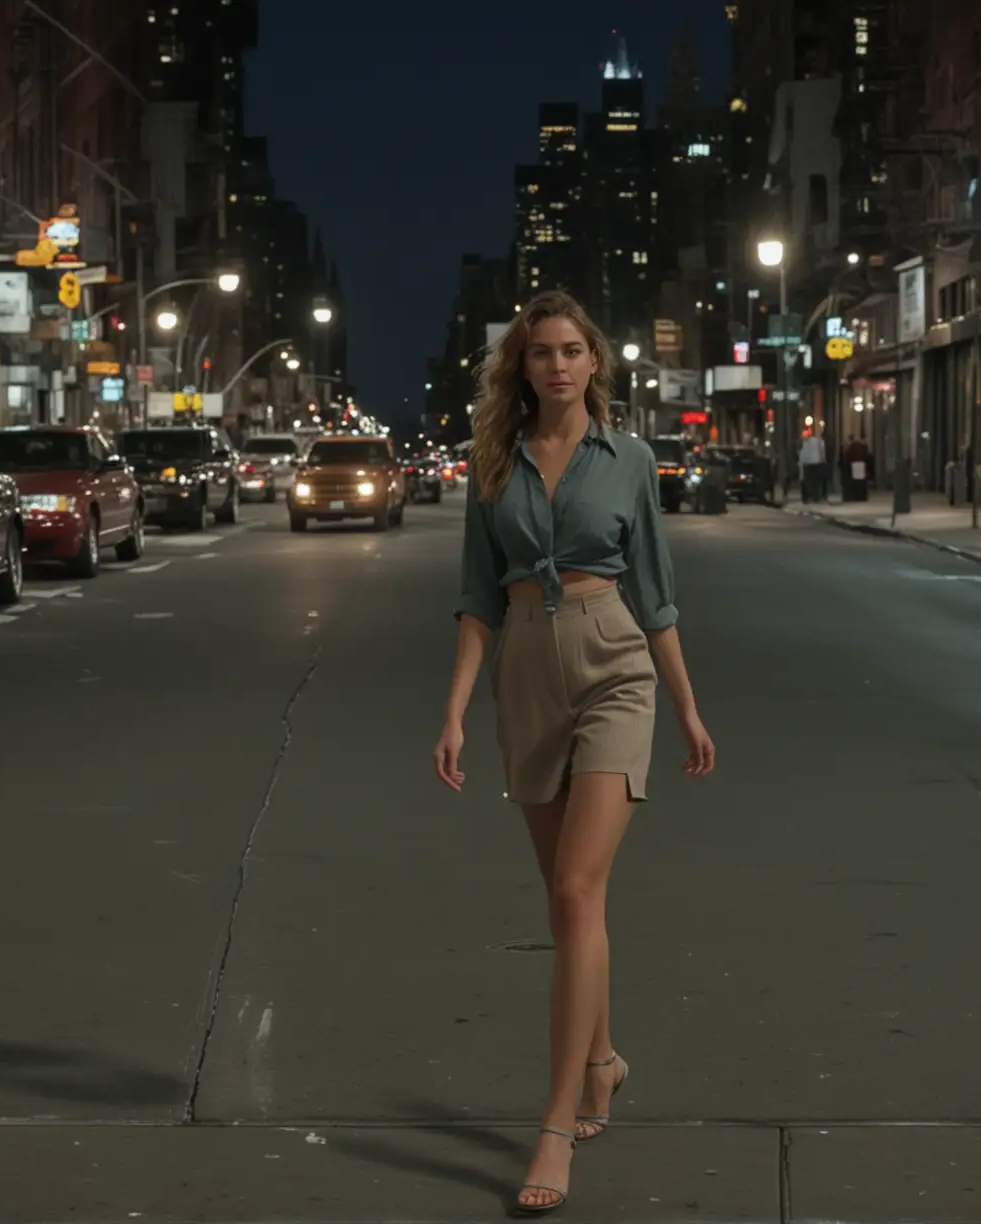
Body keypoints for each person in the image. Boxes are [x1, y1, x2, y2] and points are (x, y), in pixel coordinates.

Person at [435, 290, 716, 1215]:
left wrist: (685, 708)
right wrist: (455, 713)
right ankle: (602, 1062)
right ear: (521, 367)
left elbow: (657, 592)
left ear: (596, 362)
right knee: (566, 904)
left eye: (571, 351)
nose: (556, 365)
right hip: (524, 670)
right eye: (540, 353)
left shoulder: (628, 459)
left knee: (575, 890)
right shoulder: (493, 462)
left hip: (615, 665)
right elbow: (479, 597)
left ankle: (554, 1125)